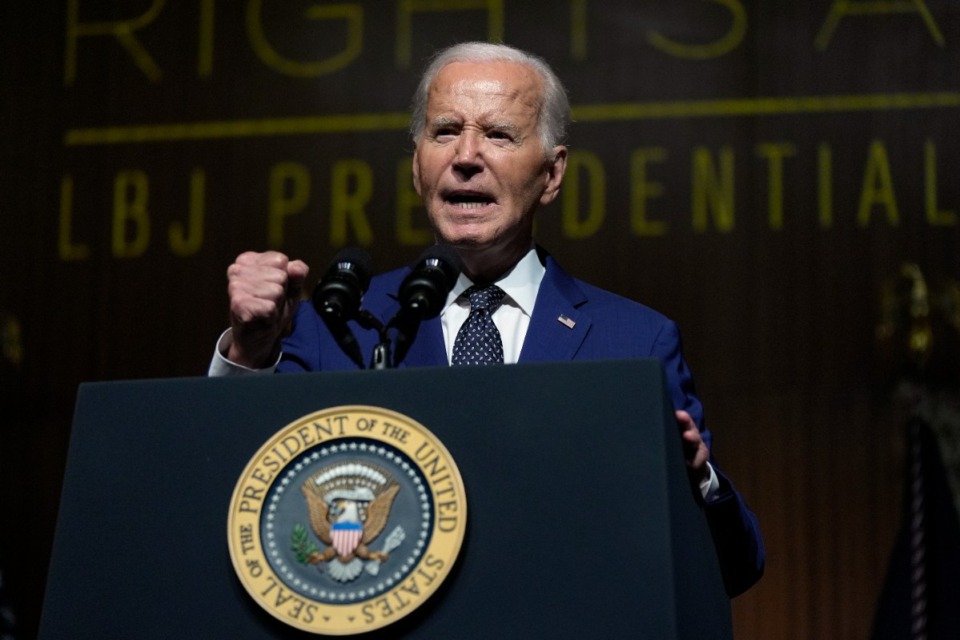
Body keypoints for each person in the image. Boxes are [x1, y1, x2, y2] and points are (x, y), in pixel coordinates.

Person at [209, 41, 764, 596]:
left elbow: (733, 568)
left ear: (552, 174)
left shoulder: (635, 341)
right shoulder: (337, 326)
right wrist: (250, 353)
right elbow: (231, 511)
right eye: (445, 131)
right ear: (416, 166)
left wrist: (696, 484)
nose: (466, 155)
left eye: (498, 135)